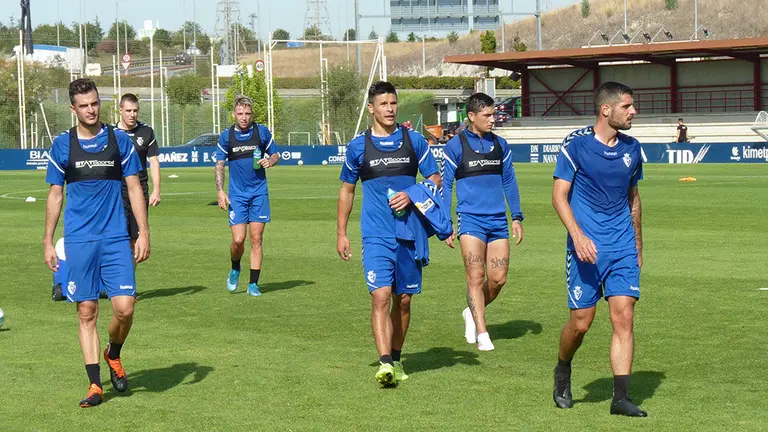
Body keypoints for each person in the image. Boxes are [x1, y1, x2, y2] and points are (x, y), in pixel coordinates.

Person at [43, 78, 150, 408]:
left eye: (95, 103)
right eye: (84, 105)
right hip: (79, 240)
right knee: (86, 311)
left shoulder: (119, 141)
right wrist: (48, 242)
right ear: (73, 108)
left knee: (125, 308)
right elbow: (55, 194)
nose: (91, 110)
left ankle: (113, 353)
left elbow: (134, 187)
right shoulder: (63, 145)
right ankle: (94, 385)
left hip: (116, 237)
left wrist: (143, 232)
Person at [336, 81, 441, 387]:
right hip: (375, 234)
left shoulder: (414, 141)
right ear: (371, 109)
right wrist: (341, 233)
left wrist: (412, 193)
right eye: (383, 104)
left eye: (393, 103)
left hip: (409, 233)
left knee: (404, 300)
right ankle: (384, 363)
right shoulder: (358, 147)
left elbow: (434, 177)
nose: (390, 109)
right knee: (380, 296)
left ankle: (396, 356)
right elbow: (346, 190)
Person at [551, 81, 646, 417]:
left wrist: (637, 243)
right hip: (586, 249)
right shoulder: (575, 147)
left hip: (621, 246)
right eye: (627, 106)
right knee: (581, 322)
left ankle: (620, 398)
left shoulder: (633, 148)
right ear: (606, 110)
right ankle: (563, 369)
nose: (633, 111)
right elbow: (559, 196)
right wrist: (577, 235)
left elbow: (633, 198)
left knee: (624, 317)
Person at [441, 92, 524, 351]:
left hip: (498, 221)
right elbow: (445, 184)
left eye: (493, 114)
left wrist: (517, 216)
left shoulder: (500, 145)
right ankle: (482, 332)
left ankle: (471, 311)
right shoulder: (455, 146)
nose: (493, 119)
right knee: (475, 276)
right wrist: (445, 223)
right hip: (470, 222)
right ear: (471, 116)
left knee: (498, 279)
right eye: (487, 115)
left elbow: (509, 180)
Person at [215, 96, 279, 297]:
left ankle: (253, 284)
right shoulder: (227, 136)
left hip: (259, 192)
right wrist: (220, 191)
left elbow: (276, 154)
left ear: (252, 115)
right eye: (240, 114)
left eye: (247, 114)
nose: (244, 117)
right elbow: (219, 165)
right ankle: (235, 267)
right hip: (237, 195)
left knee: (256, 238)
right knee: (238, 239)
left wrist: (271, 161)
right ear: (234, 114)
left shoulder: (262, 132)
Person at [116, 93, 161, 250]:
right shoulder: (111, 134)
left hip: (140, 190)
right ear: (120, 110)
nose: (132, 114)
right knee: (119, 236)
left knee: (137, 238)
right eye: (128, 110)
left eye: (135, 110)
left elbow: (154, 160)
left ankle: (129, 274)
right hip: (118, 191)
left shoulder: (146, 132)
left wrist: (156, 190)